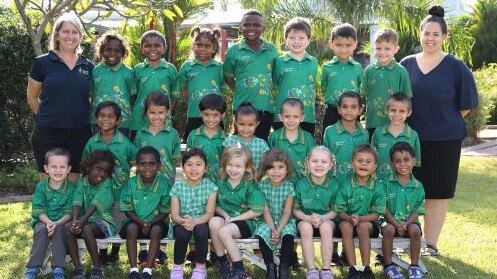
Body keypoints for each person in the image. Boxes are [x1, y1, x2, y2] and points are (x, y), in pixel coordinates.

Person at [400, 5, 478, 256]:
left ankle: (430, 244)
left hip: (444, 141)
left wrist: (440, 121)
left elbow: (466, 106)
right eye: (426, 33)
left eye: (436, 34)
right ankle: (408, 241)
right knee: (406, 191)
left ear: (445, 36)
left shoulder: (457, 67)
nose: (430, 38)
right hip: (409, 141)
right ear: (420, 34)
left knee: (436, 194)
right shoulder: (406, 64)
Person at [27, 11, 93, 183]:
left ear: (80, 36)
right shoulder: (42, 63)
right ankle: (45, 211)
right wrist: (48, 117)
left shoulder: (89, 66)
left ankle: (70, 212)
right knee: (48, 182)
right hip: (48, 132)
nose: (70, 36)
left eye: (74, 32)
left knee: (73, 182)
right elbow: (32, 97)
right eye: (65, 31)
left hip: (80, 132)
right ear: (57, 34)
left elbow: (92, 99)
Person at [82, 100, 137, 265]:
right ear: (96, 118)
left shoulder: (125, 143)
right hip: (98, 194)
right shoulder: (92, 142)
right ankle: (102, 252)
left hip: (120, 193)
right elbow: (85, 164)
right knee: (101, 221)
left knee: (118, 223)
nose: (105, 119)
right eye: (101, 116)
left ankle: (115, 252)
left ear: (119, 120)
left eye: (111, 116)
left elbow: (135, 161)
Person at [209, 145, 265, 279]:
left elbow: (257, 210)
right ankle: (223, 264)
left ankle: (239, 270)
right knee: (214, 222)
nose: (233, 169)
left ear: (247, 167)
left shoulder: (249, 184)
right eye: (230, 165)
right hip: (227, 218)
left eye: (238, 166)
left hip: (246, 221)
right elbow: (214, 205)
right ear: (225, 164)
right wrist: (226, 215)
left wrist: (235, 218)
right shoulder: (220, 182)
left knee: (224, 231)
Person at [223, 9, 278, 140]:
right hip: (242, 107)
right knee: (240, 146)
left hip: (265, 107)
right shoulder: (234, 50)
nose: (251, 28)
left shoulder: (271, 49)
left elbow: (275, 75)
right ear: (241, 27)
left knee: (262, 143)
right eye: (247, 24)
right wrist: (240, 90)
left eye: (256, 25)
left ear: (263, 28)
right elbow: (228, 76)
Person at [335, 144, 386, 279]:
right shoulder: (346, 185)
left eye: (368, 162)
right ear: (352, 164)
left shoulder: (378, 187)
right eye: (360, 161)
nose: (363, 164)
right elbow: (340, 211)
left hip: (368, 224)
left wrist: (360, 219)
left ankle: (365, 268)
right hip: (348, 221)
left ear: (374, 166)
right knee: (345, 226)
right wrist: (349, 218)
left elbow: (377, 214)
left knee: (362, 226)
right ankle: (353, 268)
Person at [119, 146, 171, 279]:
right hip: (135, 222)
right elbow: (127, 209)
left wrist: (150, 223)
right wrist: (142, 223)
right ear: (137, 166)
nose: (147, 167)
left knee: (156, 230)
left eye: (152, 164)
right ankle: (133, 269)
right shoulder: (130, 183)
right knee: (131, 227)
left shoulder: (164, 183)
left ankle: (147, 270)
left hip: (157, 223)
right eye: (143, 164)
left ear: (158, 166)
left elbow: (165, 211)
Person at [24, 148, 74, 279]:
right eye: (54, 167)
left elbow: (69, 212)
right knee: (40, 230)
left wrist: (56, 223)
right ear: (46, 168)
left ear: (68, 169)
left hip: (62, 221)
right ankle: (33, 268)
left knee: (59, 230)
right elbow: (39, 210)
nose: (58, 170)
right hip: (43, 221)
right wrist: (48, 223)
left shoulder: (71, 188)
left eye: (62, 167)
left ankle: (58, 268)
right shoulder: (41, 186)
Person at [66, 150, 116, 279]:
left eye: (105, 171)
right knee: (70, 228)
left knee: (87, 228)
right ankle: (78, 268)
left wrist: (81, 222)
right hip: (84, 220)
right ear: (89, 167)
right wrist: (75, 220)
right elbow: (77, 200)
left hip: (104, 223)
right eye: (98, 169)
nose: (102, 174)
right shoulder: (82, 181)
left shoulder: (107, 182)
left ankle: (98, 268)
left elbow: (95, 204)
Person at [169, 148, 217, 279]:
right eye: (189, 164)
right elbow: (174, 215)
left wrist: (195, 222)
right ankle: (177, 267)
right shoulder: (177, 187)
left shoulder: (211, 187)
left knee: (201, 231)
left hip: (201, 221)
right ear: (183, 168)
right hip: (181, 222)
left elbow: (209, 213)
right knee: (182, 233)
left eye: (199, 164)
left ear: (206, 168)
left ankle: (200, 267)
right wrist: (184, 222)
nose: (194, 169)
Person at [293, 146, 339, 279]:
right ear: (307, 164)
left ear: (330, 165)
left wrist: (323, 218)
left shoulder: (334, 185)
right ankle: (312, 270)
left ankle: (326, 269)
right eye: (315, 161)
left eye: (324, 162)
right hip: (305, 219)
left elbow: (335, 210)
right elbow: (295, 209)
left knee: (326, 227)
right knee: (306, 228)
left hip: (327, 220)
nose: (319, 165)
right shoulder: (301, 184)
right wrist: (308, 218)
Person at [381, 142, 425, 279]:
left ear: (414, 160)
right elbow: (383, 207)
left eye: (406, 160)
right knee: (388, 230)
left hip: (410, 222)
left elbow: (418, 209)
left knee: (415, 230)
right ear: (392, 163)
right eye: (397, 161)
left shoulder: (418, 186)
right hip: (389, 222)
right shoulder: (385, 183)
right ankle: (388, 266)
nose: (402, 164)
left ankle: (414, 266)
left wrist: (406, 223)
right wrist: (395, 223)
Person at [361, 28, 412, 139]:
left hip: (394, 124)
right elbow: (363, 95)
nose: (382, 52)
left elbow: (407, 99)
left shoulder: (401, 71)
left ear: (396, 49)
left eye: (387, 49)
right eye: (378, 48)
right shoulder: (369, 70)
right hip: (372, 123)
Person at [254, 148, 296, 279]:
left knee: (289, 233)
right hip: (267, 220)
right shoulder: (262, 186)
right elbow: (265, 210)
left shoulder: (289, 187)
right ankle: (270, 266)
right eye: (271, 167)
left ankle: (283, 267)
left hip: (284, 220)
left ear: (287, 169)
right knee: (263, 232)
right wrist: (272, 228)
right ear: (266, 170)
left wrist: (279, 229)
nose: (276, 171)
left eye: (280, 167)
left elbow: (288, 211)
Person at [273, 17, 318, 135]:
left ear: (308, 40)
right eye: (292, 37)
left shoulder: (313, 62)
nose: (296, 41)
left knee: (305, 149)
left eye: (301, 38)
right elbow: (275, 83)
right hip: (283, 116)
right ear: (286, 39)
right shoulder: (279, 61)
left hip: (306, 116)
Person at [179, 26, 225, 141]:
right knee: (192, 146)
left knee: (218, 145)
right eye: (199, 45)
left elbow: (221, 88)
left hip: (215, 116)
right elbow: (185, 90)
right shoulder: (187, 67)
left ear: (214, 49)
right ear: (193, 46)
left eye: (207, 46)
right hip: (194, 114)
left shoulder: (219, 67)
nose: (202, 49)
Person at [131, 30, 181, 134]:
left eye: (157, 45)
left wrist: (166, 110)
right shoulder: (138, 69)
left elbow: (174, 96)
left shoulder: (170, 69)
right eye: (148, 45)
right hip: (139, 119)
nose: (152, 49)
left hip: (162, 118)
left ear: (164, 48)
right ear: (142, 48)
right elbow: (133, 95)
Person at [91, 30, 136, 137]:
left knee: (119, 151)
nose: (112, 53)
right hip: (99, 121)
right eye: (108, 50)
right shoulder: (96, 71)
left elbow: (133, 97)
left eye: (117, 51)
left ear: (123, 53)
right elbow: (92, 95)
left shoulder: (128, 72)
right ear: (101, 51)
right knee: (98, 150)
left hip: (122, 122)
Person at [321, 23, 362, 136]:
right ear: (331, 44)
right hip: (332, 110)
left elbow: (360, 88)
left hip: (352, 112)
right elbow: (324, 88)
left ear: (355, 45)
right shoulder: (327, 67)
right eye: (339, 45)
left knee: (353, 138)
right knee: (328, 138)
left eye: (348, 45)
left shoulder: (357, 67)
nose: (343, 49)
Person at [134, 92, 181, 185]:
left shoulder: (172, 134)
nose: (156, 116)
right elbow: (137, 158)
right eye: (152, 112)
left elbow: (176, 159)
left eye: (160, 112)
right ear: (146, 112)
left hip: (167, 180)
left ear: (167, 112)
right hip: (145, 181)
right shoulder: (140, 134)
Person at [371, 93, 421, 178]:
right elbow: (371, 158)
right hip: (381, 183)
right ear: (386, 111)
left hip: (402, 185)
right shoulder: (378, 133)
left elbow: (415, 162)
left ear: (409, 113)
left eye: (402, 111)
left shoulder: (413, 135)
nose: (396, 114)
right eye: (393, 110)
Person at [323, 92, 368, 182]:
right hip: (333, 183)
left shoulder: (364, 134)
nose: (349, 110)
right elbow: (324, 159)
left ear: (360, 110)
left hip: (356, 185)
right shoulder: (329, 131)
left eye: (353, 107)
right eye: (345, 107)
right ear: (339, 109)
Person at [268, 98, 315, 182]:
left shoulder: (308, 138)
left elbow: (313, 160)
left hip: (302, 183)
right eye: (287, 116)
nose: (291, 120)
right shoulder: (274, 136)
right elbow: (268, 160)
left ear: (302, 118)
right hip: (279, 183)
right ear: (280, 117)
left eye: (296, 117)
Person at [187, 94, 227, 181]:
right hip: (197, 181)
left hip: (219, 183)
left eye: (215, 115)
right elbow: (187, 159)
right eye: (206, 114)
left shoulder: (226, 139)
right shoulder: (193, 135)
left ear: (223, 115)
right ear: (201, 113)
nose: (210, 119)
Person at [222, 102, 269, 168]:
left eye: (250, 124)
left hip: (255, 177)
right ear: (235, 123)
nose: (246, 129)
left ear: (257, 124)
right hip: (232, 177)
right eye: (242, 124)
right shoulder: (229, 141)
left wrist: (256, 176)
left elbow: (263, 167)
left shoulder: (261, 144)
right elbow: (224, 163)